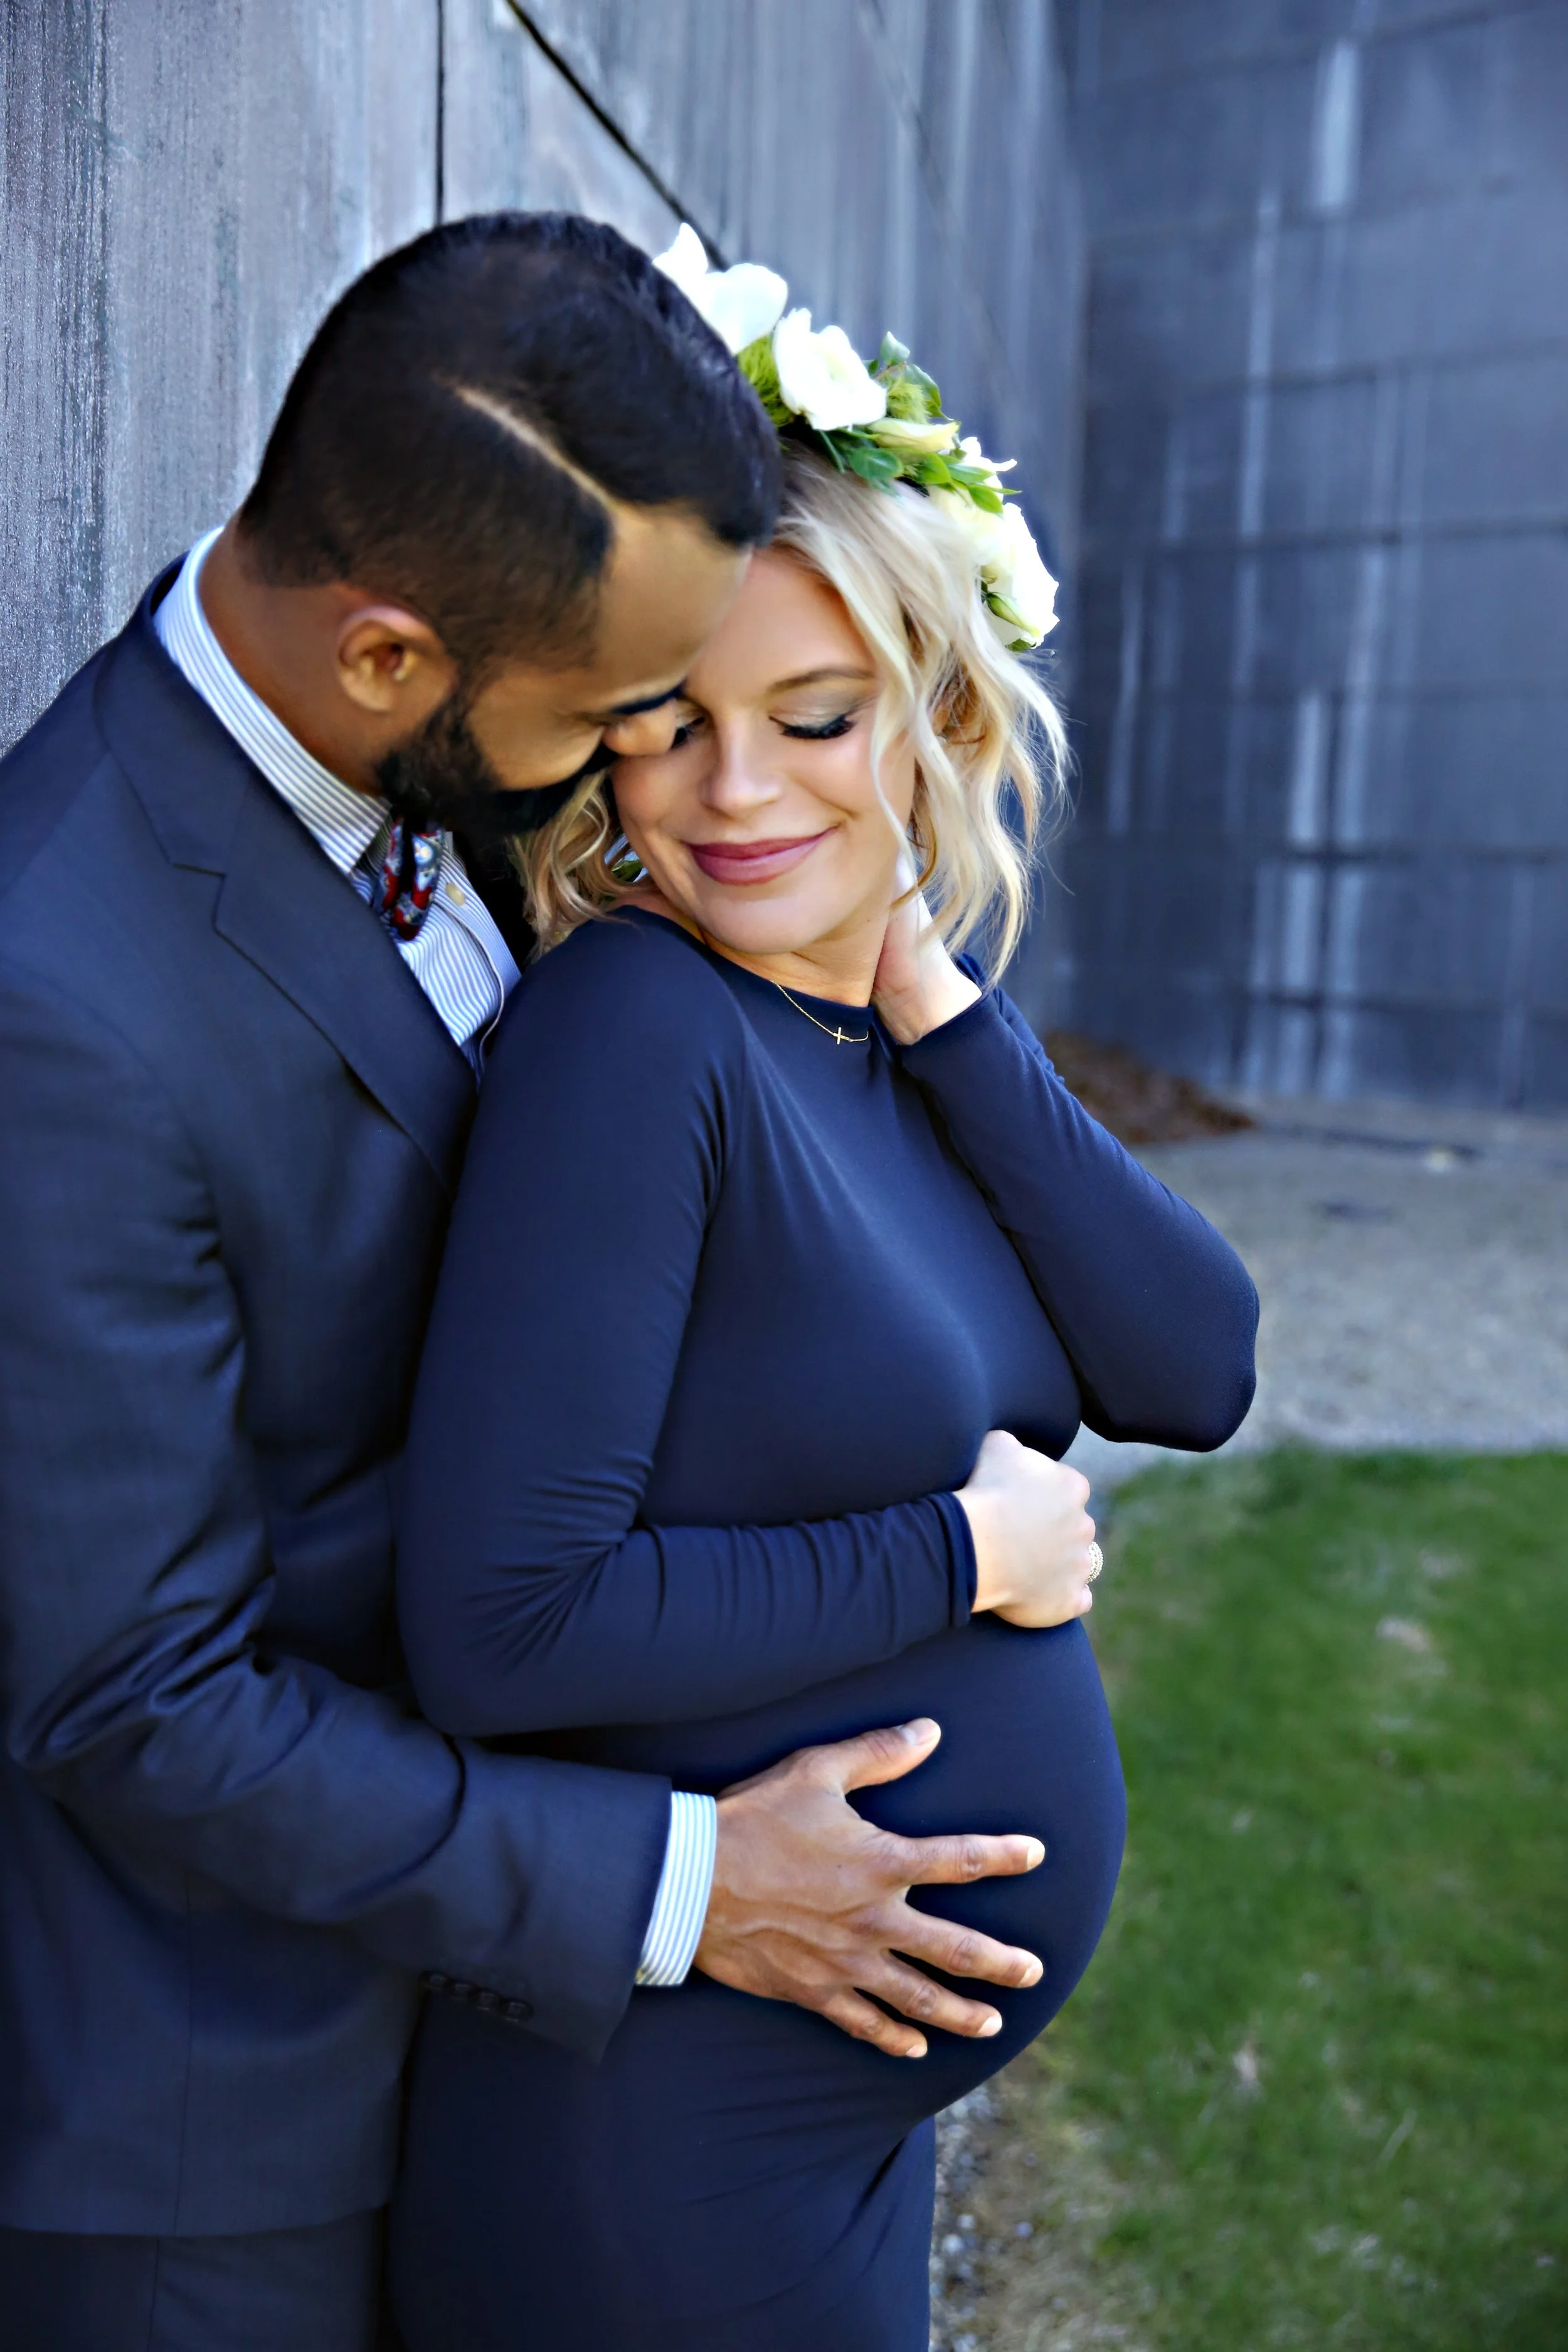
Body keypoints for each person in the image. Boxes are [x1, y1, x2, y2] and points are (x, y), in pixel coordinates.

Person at [0, 214, 1103, 2352]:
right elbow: (135, 1696)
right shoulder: (55, 1001)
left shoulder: (414, 761)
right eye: (615, 713)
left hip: (536, 2052)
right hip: (222, 2133)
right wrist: (688, 1881)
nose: (646, 773)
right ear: (390, 660)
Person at [388, 248, 1259, 2352]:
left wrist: (942, 1003)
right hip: (653, 2157)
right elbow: (501, 1623)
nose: (738, 792)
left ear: (938, 713)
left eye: (815, 719)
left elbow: (1196, 1363)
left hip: (823, 2127)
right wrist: (962, 1551)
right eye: (668, 728)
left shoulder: (878, 1039)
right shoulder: (632, 1034)